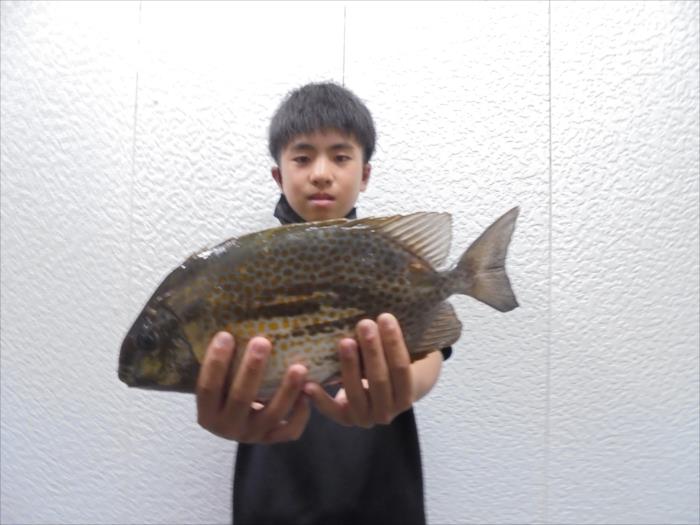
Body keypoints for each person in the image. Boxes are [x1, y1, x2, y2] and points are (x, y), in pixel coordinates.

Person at [195, 82, 451, 525]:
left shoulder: (391, 260)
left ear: (364, 174)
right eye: (302, 157)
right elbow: (219, 360)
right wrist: (225, 406)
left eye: (340, 156)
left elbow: (430, 352)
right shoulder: (246, 270)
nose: (320, 173)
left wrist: (400, 388)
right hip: (274, 495)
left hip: (381, 490)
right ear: (278, 175)